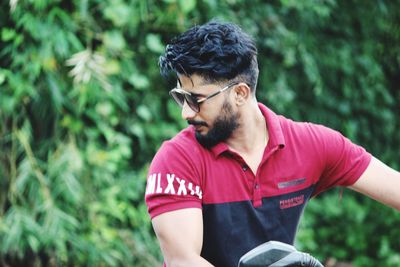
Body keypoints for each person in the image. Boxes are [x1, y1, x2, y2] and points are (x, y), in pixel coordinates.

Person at [144, 21, 400, 267]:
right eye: (181, 98)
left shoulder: (310, 145)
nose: (186, 113)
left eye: (196, 99)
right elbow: (184, 261)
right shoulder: (177, 159)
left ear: (240, 94)